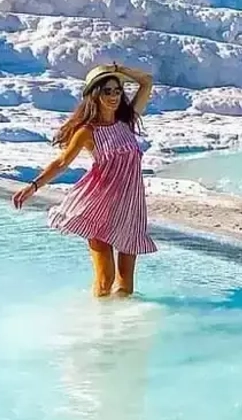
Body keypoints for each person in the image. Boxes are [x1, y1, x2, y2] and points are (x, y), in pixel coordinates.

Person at [12, 62, 157, 297]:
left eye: (117, 90)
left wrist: (119, 70)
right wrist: (33, 186)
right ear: (95, 94)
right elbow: (62, 163)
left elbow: (147, 81)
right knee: (105, 280)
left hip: (130, 207)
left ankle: (121, 329)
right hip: (100, 206)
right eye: (106, 91)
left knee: (126, 285)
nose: (113, 96)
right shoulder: (88, 131)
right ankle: (96, 324)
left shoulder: (126, 121)